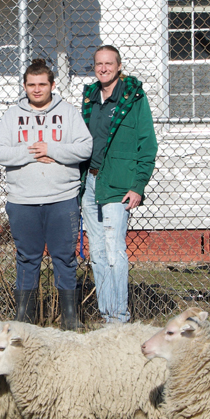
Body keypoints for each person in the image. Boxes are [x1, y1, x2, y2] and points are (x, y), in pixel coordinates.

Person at [0, 58, 92, 330]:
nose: (37, 90)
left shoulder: (68, 113)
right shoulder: (13, 115)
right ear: (24, 86)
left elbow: (85, 148)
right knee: (27, 258)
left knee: (64, 257)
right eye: (31, 85)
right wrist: (31, 151)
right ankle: (25, 320)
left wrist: (52, 149)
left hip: (62, 198)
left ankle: (70, 320)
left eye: (42, 84)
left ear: (52, 85)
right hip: (23, 200)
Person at [80, 45, 157, 324]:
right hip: (90, 183)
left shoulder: (133, 97)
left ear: (118, 66)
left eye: (108, 63)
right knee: (97, 253)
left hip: (118, 185)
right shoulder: (90, 98)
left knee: (114, 252)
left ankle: (120, 318)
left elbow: (147, 144)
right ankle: (107, 314)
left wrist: (138, 185)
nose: (103, 68)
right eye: (98, 64)